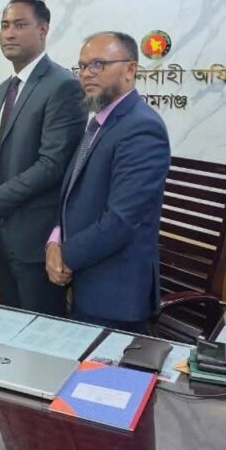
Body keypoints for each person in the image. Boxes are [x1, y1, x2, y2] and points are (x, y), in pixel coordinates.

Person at [0, 0, 86, 315]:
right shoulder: (7, 88)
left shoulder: (63, 86)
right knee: (11, 324)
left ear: (43, 30)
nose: (9, 33)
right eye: (4, 25)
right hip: (4, 233)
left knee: (40, 330)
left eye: (20, 25)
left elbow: (51, 166)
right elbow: (2, 152)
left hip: (37, 240)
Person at [46, 31, 170, 333]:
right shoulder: (101, 122)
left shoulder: (142, 128)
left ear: (130, 70)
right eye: (82, 66)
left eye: (98, 64)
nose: (87, 73)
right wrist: (54, 239)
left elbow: (121, 220)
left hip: (115, 296)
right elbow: (72, 193)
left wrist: (65, 255)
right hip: (86, 281)